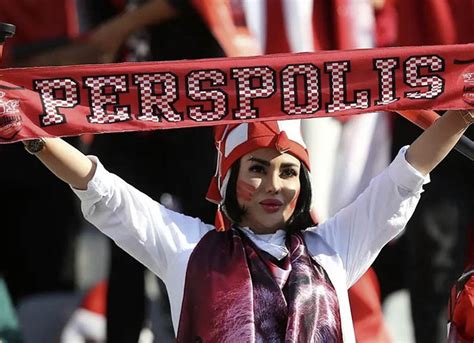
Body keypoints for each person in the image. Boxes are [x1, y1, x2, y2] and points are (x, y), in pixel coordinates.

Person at [21, 108, 473, 341]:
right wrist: (33, 136)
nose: (272, 186)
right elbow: (103, 190)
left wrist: (464, 112)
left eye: (288, 171)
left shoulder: (333, 247)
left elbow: (407, 174)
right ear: (228, 178)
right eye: (256, 168)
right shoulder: (188, 248)